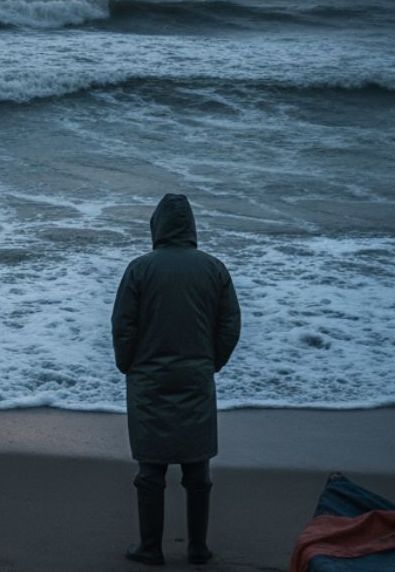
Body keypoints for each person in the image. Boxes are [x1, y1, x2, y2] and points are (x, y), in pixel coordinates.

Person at [111, 193, 241, 565]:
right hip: (195, 378)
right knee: (197, 468)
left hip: (149, 380)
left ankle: (150, 547)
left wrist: (128, 365)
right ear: (191, 228)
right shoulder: (214, 269)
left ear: (157, 226)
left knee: (151, 468)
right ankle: (197, 547)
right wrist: (210, 363)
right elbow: (230, 326)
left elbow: (123, 326)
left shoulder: (140, 269)